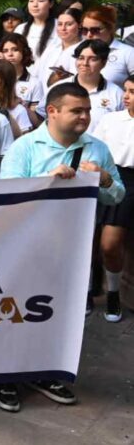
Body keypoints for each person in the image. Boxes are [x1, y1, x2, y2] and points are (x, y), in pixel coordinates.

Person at [0, 82, 125, 411]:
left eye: (87, 110)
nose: (85, 116)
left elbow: (117, 196)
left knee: (57, 315)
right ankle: (6, 376)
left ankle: (44, 371)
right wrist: (47, 179)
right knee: (16, 312)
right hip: (25, 247)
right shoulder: (24, 148)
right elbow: (7, 196)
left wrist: (106, 181)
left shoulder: (98, 149)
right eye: (77, 111)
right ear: (52, 111)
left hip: (73, 249)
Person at [93, 73, 134, 322]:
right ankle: (101, 292)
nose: (126, 97)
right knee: (99, 242)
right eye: (126, 90)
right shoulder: (111, 120)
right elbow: (95, 148)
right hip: (110, 177)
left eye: (132, 92)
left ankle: (119, 294)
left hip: (128, 181)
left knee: (118, 245)